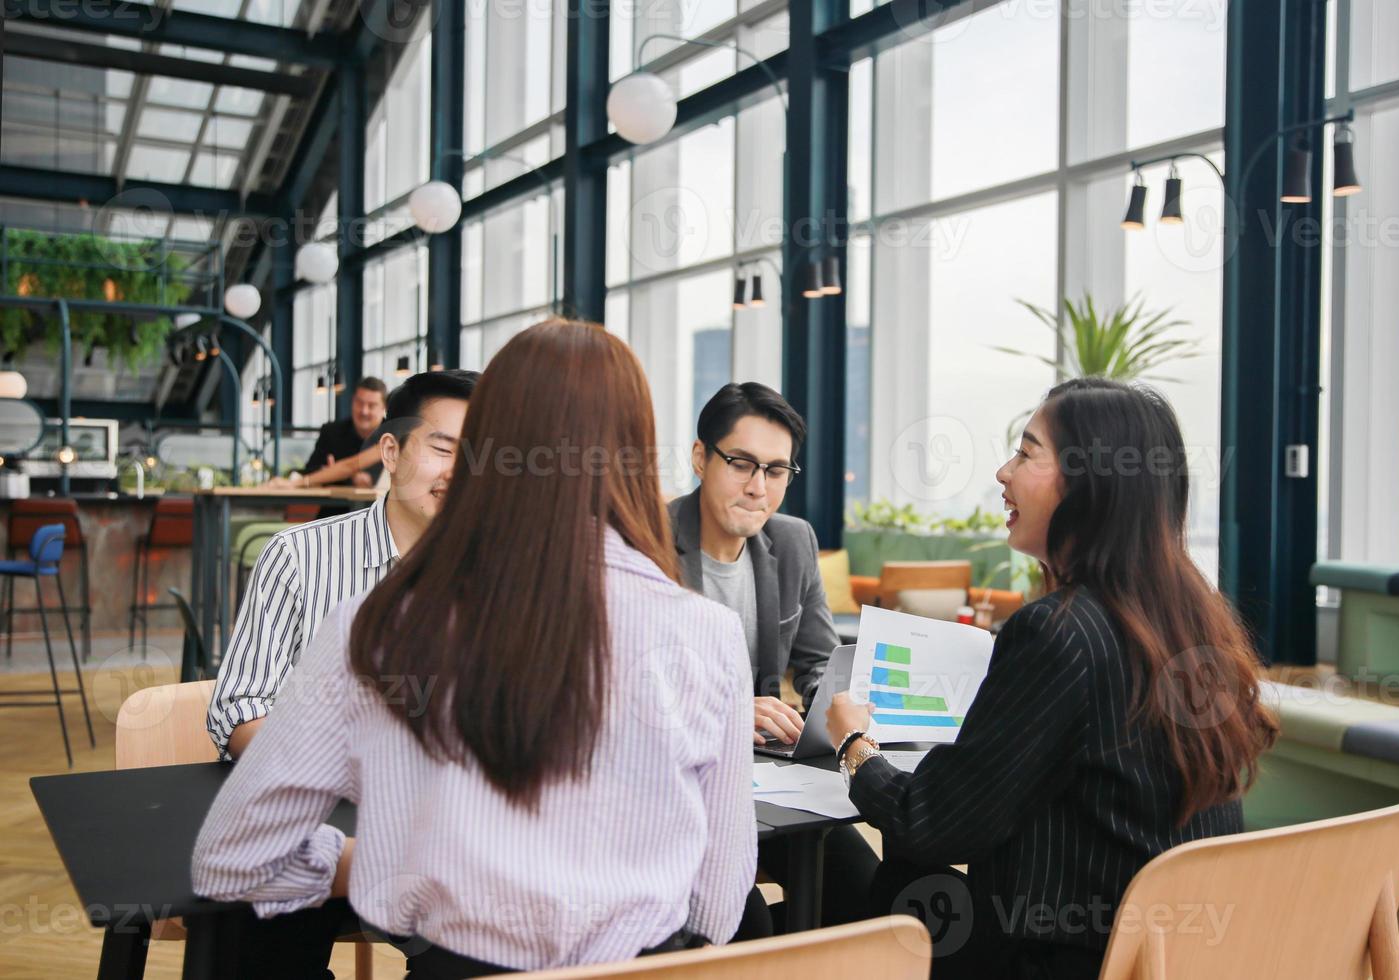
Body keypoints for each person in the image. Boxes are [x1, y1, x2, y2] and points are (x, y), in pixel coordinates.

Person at [193, 319, 757, 980]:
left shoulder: (378, 626)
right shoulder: (706, 632)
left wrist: (378, 851)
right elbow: (719, 904)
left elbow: (232, 857)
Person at [827, 378, 1279, 980]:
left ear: (1091, 482)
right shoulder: (1192, 618)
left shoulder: (1059, 631)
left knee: (854, 870)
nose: (1002, 473)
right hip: (1168, 959)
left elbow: (932, 823)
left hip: (1055, 958)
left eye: (1026, 451)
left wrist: (855, 745)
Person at [669, 382, 876, 934]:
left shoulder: (792, 541)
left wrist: (844, 707)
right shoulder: (646, 542)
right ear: (699, 457)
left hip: (768, 779)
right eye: (740, 463)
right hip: (678, 790)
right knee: (745, 925)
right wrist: (733, 714)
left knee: (866, 893)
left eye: (777, 470)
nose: (759, 487)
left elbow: (815, 664)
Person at [206, 370, 478, 760]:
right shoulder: (297, 558)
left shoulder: (496, 570)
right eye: (444, 450)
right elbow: (240, 710)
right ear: (391, 453)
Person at [303, 376, 388, 488]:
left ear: (384, 408)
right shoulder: (331, 433)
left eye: (371, 405)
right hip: (337, 505)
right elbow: (308, 472)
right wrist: (327, 473)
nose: (364, 411)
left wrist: (372, 480)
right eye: (359, 403)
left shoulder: (393, 437)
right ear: (352, 402)